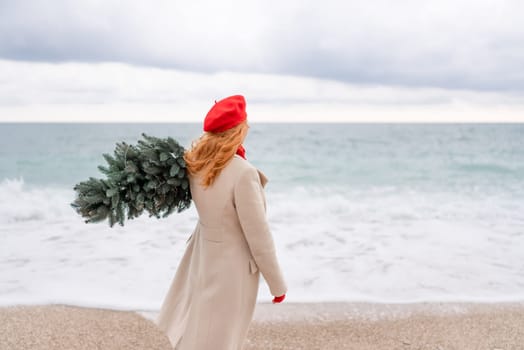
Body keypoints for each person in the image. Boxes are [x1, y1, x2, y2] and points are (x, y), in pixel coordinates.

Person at [156, 95, 287, 350]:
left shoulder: (195, 163)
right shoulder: (243, 172)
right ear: (238, 131)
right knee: (222, 338)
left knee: (199, 329)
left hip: (203, 257)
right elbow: (259, 236)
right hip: (232, 270)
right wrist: (277, 284)